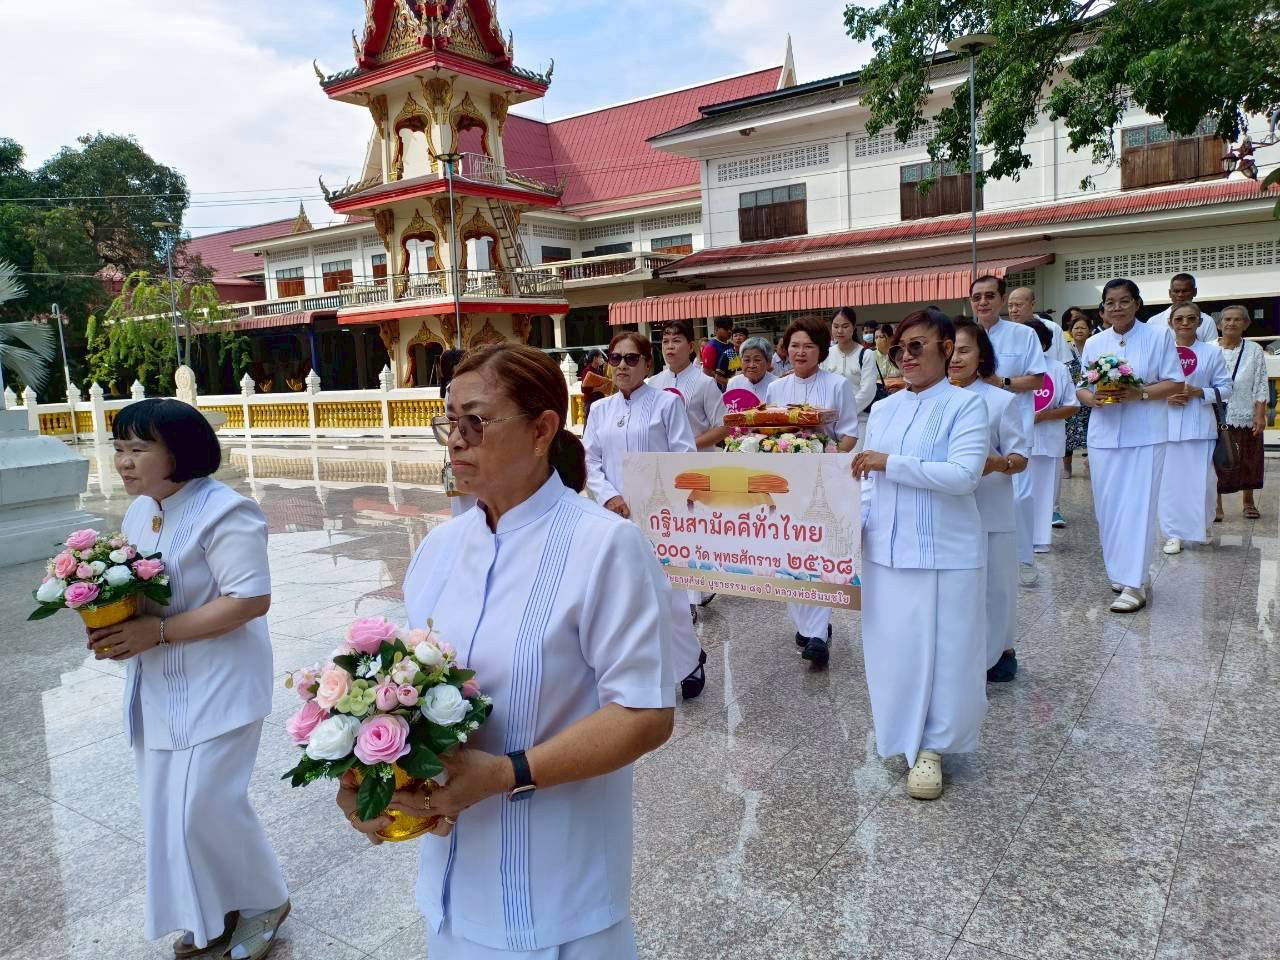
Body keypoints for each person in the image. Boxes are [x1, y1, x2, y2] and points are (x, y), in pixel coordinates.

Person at [342, 344, 676, 959]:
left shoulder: (605, 546)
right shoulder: (439, 551)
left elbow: (645, 712)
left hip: (558, 884)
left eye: (477, 421)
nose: (456, 440)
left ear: (542, 429)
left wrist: (506, 773)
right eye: (449, 421)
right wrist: (369, 783)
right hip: (451, 878)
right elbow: (410, 701)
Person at [87, 399, 289, 960]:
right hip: (157, 687)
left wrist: (160, 632)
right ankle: (215, 909)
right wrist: (109, 622)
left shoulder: (226, 512)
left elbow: (251, 598)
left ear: (179, 451)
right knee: (171, 810)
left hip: (220, 683)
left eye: (137, 449)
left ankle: (265, 901)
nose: (123, 462)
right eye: (119, 449)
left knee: (206, 804)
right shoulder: (140, 513)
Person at [853, 309, 989, 800]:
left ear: (946, 347)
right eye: (898, 349)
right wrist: (856, 530)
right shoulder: (885, 410)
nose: (905, 356)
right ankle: (899, 735)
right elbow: (866, 480)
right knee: (894, 649)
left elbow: (963, 476)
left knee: (947, 652)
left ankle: (933, 748)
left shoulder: (965, 406)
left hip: (944, 551)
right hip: (885, 551)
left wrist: (892, 463)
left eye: (916, 346)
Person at [584, 333, 707, 698]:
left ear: (647, 364)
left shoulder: (666, 405)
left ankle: (688, 661)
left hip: (659, 517)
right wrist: (609, 497)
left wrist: (654, 500)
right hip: (612, 517)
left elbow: (682, 457)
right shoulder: (600, 410)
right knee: (623, 596)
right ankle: (634, 667)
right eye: (615, 357)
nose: (622, 365)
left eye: (631, 359)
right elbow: (589, 460)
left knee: (667, 594)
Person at [1076, 278, 1184, 613]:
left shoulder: (1158, 336)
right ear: (1103, 309)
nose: (1117, 308)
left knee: (1138, 507)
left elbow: (1175, 381)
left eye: (1124, 301)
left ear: (1137, 304)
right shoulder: (1094, 343)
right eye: (1110, 302)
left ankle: (1135, 584)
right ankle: (1122, 573)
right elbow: (1081, 386)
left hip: (1146, 433)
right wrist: (1091, 399)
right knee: (1108, 509)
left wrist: (1142, 394)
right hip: (1104, 435)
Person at [765, 315, 859, 668]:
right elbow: (768, 434)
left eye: (808, 346)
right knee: (790, 552)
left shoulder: (837, 385)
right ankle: (807, 625)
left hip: (823, 482)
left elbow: (849, 432)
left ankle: (818, 632)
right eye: (794, 346)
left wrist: (832, 456)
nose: (800, 352)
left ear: (821, 350)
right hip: (786, 485)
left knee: (818, 553)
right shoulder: (776, 388)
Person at [948, 318, 1029, 683]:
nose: (955, 357)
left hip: (990, 508)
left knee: (995, 588)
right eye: (949, 348)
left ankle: (1000, 652)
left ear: (982, 355)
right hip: (946, 511)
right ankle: (961, 656)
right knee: (957, 592)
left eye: (965, 349)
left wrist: (992, 463)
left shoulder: (1000, 401)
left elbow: (1020, 458)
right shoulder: (933, 399)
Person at [970, 275, 1047, 587]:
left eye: (990, 296)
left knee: (1019, 496)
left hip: (1013, 425)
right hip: (972, 424)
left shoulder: (1023, 335)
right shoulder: (964, 335)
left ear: (1002, 300)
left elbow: (1038, 379)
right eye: (977, 297)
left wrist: (1001, 383)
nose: (983, 302)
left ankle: (1024, 559)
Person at [1159, 303, 1232, 554]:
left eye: (1191, 318)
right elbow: (1146, 386)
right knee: (1168, 484)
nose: (1185, 323)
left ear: (1200, 322)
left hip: (1200, 426)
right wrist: (1164, 397)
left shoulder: (1211, 354)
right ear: (1171, 322)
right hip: (1165, 426)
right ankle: (1173, 534)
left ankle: (1202, 527)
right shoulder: (1161, 351)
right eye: (1179, 319)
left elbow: (1227, 389)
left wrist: (1200, 391)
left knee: (1203, 482)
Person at [1026, 318, 1079, 552]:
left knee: (1045, 491)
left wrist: (1044, 416)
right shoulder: (1010, 371)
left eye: (1036, 340)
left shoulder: (1058, 369)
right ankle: (1018, 539)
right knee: (1018, 494)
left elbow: (1073, 405)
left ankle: (1040, 540)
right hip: (1017, 442)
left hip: (1048, 440)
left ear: (1045, 343)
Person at [1214, 304, 1269, 521]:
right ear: (1219, 324)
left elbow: (1261, 383)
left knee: (1250, 456)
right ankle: (1216, 506)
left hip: (1246, 411)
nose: (1231, 323)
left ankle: (1248, 502)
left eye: (1238, 319)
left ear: (1246, 324)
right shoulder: (1209, 348)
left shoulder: (1254, 349)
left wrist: (1260, 413)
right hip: (1216, 412)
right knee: (1217, 458)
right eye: (1227, 319)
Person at [650, 319, 729, 451]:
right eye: (665, 341)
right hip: (661, 462)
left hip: (697, 462)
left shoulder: (705, 382)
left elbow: (723, 427)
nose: (669, 346)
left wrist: (687, 444)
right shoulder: (653, 383)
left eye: (676, 340)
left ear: (691, 346)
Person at [820, 306, 879, 449]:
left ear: (853, 327)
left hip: (858, 421)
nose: (840, 331)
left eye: (845, 326)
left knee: (853, 464)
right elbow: (821, 385)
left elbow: (868, 391)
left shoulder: (866, 354)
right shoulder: (826, 354)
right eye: (836, 326)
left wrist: (846, 412)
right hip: (829, 422)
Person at [1062, 309, 1093, 479]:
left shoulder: (1094, 347)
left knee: (1090, 432)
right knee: (1069, 434)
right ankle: (1067, 466)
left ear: (1090, 330)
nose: (1079, 331)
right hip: (1070, 397)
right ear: (1070, 331)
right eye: (1076, 328)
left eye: (1083, 328)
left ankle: (1089, 463)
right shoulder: (1065, 349)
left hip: (1088, 395)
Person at [1145, 273, 1219, 342]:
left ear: (1195, 292)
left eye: (1185, 291)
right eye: (1176, 291)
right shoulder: (1154, 322)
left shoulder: (1207, 321)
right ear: (1170, 293)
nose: (1180, 295)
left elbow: (1212, 350)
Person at [1008, 287, 1072, 364]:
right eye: (1010, 306)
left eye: (1018, 305)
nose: (1013, 310)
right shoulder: (1005, 332)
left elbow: (1065, 362)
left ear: (1032, 304)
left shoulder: (1052, 328)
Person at [725, 335, 777, 404]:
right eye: (747, 360)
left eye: (757, 360)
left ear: (769, 362)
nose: (751, 365)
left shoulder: (777, 385)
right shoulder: (733, 383)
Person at [701, 317, 736, 388]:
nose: (729, 331)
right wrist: (726, 381)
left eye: (730, 329)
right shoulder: (710, 346)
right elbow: (707, 371)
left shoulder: (731, 345)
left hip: (731, 386)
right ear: (716, 329)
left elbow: (736, 366)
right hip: (716, 388)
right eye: (726, 329)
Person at [579, 349, 608, 417]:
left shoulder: (599, 370)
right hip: (590, 403)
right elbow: (584, 389)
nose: (602, 359)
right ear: (595, 358)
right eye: (600, 357)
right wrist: (598, 388)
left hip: (600, 401)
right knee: (589, 425)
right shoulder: (587, 371)